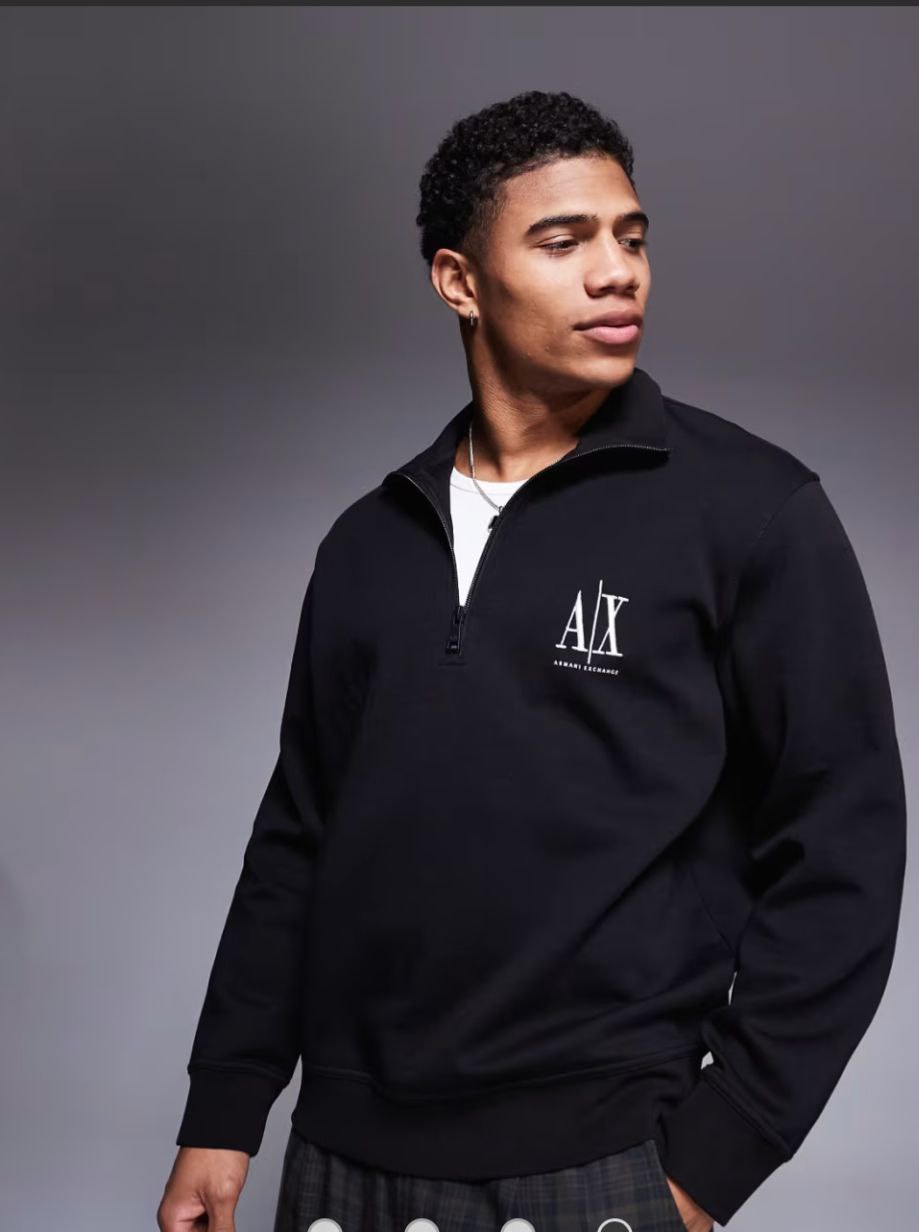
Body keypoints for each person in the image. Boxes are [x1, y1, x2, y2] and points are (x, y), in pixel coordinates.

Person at [157, 90, 907, 1232]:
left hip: (602, 1157)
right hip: (340, 1156)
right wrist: (224, 1107)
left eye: (630, 237)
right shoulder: (368, 545)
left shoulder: (752, 511)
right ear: (459, 280)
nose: (617, 273)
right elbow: (299, 834)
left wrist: (713, 1158)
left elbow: (844, 843)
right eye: (563, 242)